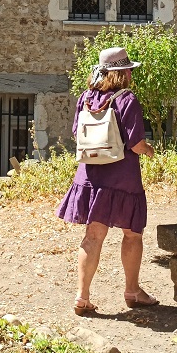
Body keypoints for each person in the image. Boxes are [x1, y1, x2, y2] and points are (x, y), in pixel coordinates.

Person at [57, 46, 159, 315]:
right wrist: (149, 150)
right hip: (122, 177)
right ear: (123, 73)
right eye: (128, 70)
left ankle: (82, 296)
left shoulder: (85, 98)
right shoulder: (127, 100)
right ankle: (132, 291)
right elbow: (135, 144)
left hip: (90, 175)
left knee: (93, 235)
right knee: (132, 234)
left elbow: (75, 132)